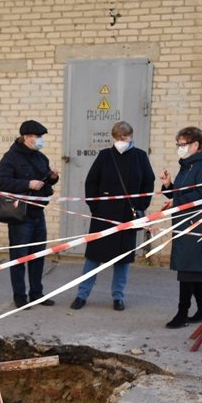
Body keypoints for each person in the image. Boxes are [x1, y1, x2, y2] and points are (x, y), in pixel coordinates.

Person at [70, 121, 155, 311]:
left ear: (131, 137)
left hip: (127, 215)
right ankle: (82, 294)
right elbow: (91, 182)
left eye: (124, 138)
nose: (120, 141)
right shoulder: (105, 156)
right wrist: (95, 206)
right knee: (93, 258)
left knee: (122, 260)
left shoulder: (140, 157)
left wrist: (140, 206)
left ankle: (118, 297)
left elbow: (148, 183)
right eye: (117, 138)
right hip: (103, 215)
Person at [0, 120, 60, 308]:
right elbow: (2, 182)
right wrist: (27, 184)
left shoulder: (40, 157)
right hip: (20, 216)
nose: (40, 140)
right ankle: (20, 297)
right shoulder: (11, 158)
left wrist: (53, 178)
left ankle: (37, 294)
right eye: (38, 137)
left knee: (38, 256)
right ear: (26, 137)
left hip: (38, 213)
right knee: (19, 258)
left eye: (41, 137)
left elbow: (45, 179)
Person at [160, 126, 202, 328]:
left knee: (187, 269)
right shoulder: (188, 165)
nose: (179, 148)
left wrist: (178, 201)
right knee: (192, 270)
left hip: (197, 225)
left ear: (195, 144)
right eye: (178, 144)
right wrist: (169, 185)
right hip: (185, 222)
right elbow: (180, 193)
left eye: (182, 144)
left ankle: (182, 313)